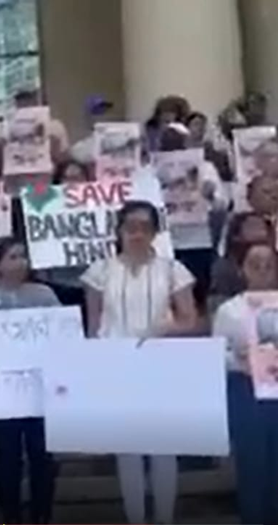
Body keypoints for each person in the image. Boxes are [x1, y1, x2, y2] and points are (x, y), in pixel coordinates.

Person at [81, 200, 198, 525]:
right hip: (115, 365)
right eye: (129, 227)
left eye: (144, 227)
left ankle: (164, 518)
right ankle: (135, 519)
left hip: (162, 363)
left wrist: (166, 329)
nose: (136, 234)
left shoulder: (173, 269)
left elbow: (191, 320)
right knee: (127, 447)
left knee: (163, 445)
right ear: (118, 231)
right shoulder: (99, 271)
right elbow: (93, 326)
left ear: (155, 233)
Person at [0, 236, 60, 524]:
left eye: (23, 256)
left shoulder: (44, 295)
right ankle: (10, 516)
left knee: (42, 456)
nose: (20, 262)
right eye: (12, 257)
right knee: (7, 457)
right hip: (0, 392)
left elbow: (62, 337)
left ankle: (42, 515)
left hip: (40, 391)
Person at [212, 241, 278, 525]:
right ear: (242, 270)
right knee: (253, 463)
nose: (262, 271)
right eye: (255, 265)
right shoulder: (229, 310)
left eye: (268, 265)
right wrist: (239, 360)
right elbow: (217, 354)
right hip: (246, 390)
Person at [156, 125, 227, 307]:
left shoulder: (206, 168)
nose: (172, 143)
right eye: (167, 138)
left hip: (198, 241)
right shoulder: (151, 169)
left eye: (177, 138)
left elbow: (222, 205)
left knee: (198, 296)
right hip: (163, 243)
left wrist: (210, 195)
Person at [208, 212, 275, 315]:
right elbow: (218, 303)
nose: (260, 230)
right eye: (253, 226)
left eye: (262, 226)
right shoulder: (224, 267)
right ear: (236, 234)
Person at [69, 95, 116, 164]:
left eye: (105, 111)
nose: (103, 115)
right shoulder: (79, 150)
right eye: (97, 112)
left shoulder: (121, 141)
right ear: (88, 117)